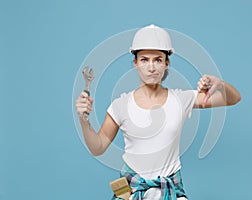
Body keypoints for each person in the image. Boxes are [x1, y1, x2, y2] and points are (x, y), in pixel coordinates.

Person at [75, 24, 241, 200]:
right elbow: (98, 147)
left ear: (166, 63)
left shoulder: (181, 99)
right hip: (132, 194)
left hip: (171, 192)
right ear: (135, 63)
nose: (151, 67)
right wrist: (84, 120)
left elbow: (233, 98)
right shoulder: (120, 105)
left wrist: (219, 83)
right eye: (145, 60)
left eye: (158, 60)